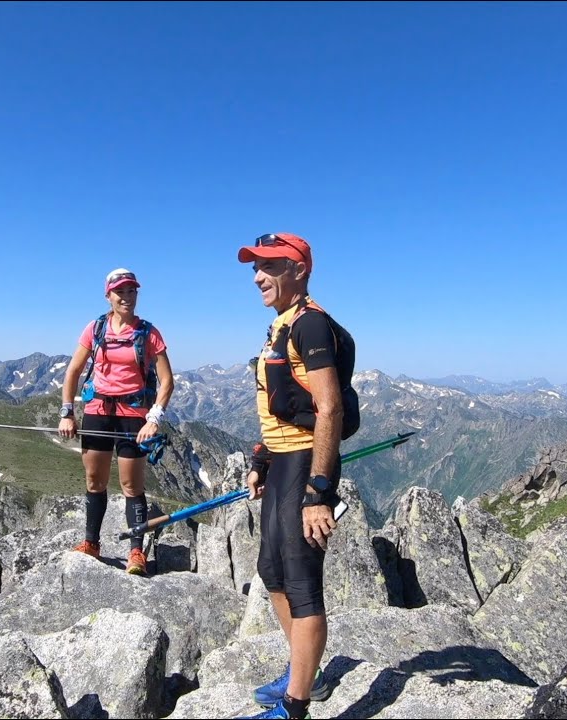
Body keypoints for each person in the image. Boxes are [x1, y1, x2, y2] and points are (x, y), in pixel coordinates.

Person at [235, 233, 360, 720]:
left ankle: (295, 706)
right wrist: (262, 458)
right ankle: (303, 671)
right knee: (272, 571)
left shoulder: (310, 325)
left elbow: (327, 407)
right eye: (254, 267)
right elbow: (286, 404)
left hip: (309, 464)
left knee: (302, 581)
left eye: (269, 266)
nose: (257, 276)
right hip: (284, 461)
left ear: (299, 270)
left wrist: (319, 492)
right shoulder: (281, 325)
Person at [59, 268, 174, 576]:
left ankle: (136, 552)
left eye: (132, 291)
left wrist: (154, 418)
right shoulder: (95, 329)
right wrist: (67, 412)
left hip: (134, 416)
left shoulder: (149, 333)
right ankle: (91, 543)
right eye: (120, 292)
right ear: (108, 295)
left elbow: (166, 382)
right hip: (97, 411)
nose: (127, 297)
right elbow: (73, 371)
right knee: (94, 481)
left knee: (131, 485)